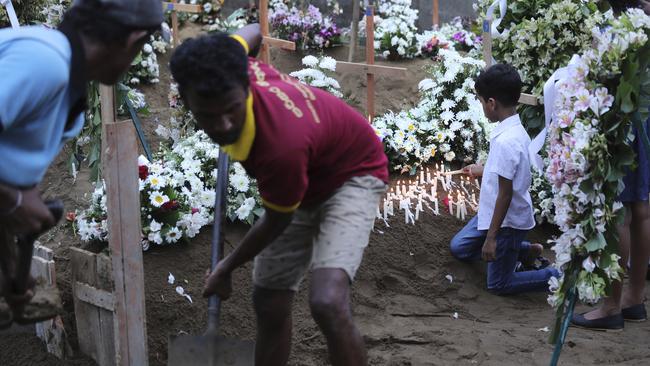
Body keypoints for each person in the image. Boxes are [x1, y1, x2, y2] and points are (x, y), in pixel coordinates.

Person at [170, 25, 388, 366]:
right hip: (306, 176)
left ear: (246, 87)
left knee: (327, 301)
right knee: (269, 300)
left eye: (232, 109)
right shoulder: (225, 60)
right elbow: (253, 31)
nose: (224, 125)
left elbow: (277, 219)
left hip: (353, 173)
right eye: (208, 115)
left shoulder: (280, 146)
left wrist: (225, 267)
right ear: (186, 100)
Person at [0, 0, 163, 327]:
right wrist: (15, 201)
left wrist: (8, 271)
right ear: (132, 41)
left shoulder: (68, 100)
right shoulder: (44, 63)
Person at [571, 0, 650, 331]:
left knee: (619, 211)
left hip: (619, 125)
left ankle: (611, 305)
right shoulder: (645, 26)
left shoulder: (607, 31)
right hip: (645, 122)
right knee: (642, 209)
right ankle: (634, 297)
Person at [449, 64, 558, 295]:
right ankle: (524, 250)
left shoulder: (506, 141)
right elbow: (508, 170)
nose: (482, 108)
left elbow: (505, 194)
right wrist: (484, 170)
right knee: (459, 248)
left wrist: (492, 238)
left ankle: (557, 276)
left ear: (491, 103)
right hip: (491, 216)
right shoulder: (511, 131)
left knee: (499, 284)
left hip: (505, 224)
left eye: (480, 102)